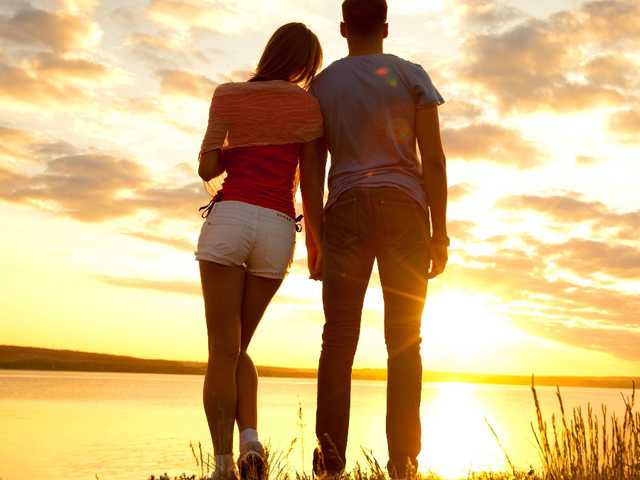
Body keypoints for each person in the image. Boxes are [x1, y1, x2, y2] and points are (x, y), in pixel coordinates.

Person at [299, 0, 449, 477]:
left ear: (344, 29)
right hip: (405, 211)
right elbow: (434, 159)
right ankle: (403, 463)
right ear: (385, 28)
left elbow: (311, 167)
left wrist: (316, 237)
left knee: (338, 339)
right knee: (404, 340)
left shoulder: (322, 86)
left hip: (345, 212)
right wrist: (440, 233)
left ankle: (330, 463)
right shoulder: (411, 75)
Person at [196, 23, 323, 480]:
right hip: (276, 228)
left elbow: (207, 167)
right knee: (237, 348)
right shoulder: (309, 106)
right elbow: (311, 185)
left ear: (270, 52)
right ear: (306, 65)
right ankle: (250, 440)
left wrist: (237, 151)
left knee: (222, 351)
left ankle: (223, 467)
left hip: (230, 220)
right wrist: (317, 245)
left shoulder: (228, 95)